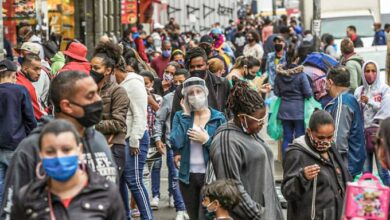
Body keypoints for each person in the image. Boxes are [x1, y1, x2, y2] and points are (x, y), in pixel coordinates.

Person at [1, 71, 118, 219]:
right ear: (67, 106)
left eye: (97, 93)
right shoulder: (31, 149)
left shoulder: (98, 140)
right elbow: (10, 212)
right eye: (90, 96)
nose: (98, 100)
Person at [10, 120, 125, 219]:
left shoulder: (107, 193)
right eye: (50, 152)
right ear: (41, 155)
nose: (59, 157)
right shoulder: (27, 198)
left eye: (66, 150)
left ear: (79, 150)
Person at [210, 79, 284, 220]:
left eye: (263, 119)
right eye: (258, 120)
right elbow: (231, 189)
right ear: (242, 117)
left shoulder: (249, 132)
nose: (261, 124)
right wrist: (258, 214)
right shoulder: (226, 141)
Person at [170, 77, 226, 220]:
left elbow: (224, 149)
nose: (195, 96)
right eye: (191, 93)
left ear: (206, 92)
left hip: (210, 177)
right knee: (194, 216)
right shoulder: (180, 116)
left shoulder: (218, 118)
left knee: (208, 216)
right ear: (185, 97)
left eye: (198, 91)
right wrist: (186, 116)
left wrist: (207, 140)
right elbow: (176, 142)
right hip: (187, 177)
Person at [282, 110, 351, 220]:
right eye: (321, 138)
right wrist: (302, 177)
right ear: (309, 132)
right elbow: (287, 191)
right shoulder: (296, 154)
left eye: (330, 137)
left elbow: (342, 179)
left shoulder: (331, 149)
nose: (326, 141)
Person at [114, 55, 153, 220]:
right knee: (121, 179)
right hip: (123, 139)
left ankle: (147, 217)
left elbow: (140, 115)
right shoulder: (120, 84)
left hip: (135, 139)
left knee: (134, 180)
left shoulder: (134, 84)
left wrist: (135, 140)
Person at [90, 42, 129, 184]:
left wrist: (93, 126)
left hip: (114, 147)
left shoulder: (117, 92)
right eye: (90, 67)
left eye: (96, 68)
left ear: (108, 70)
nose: (92, 71)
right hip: (93, 145)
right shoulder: (88, 89)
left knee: (109, 189)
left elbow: (118, 123)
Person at [153, 69, 189, 220]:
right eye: (177, 82)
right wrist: (157, 138)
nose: (179, 85)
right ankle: (180, 209)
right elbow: (159, 119)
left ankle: (188, 206)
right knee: (175, 176)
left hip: (193, 143)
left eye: (182, 82)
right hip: (172, 144)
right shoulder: (168, 98)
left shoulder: (196, 97)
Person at [0, 60, 37, 204]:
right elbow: (30, 119)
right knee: (18, 183)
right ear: (14, 75)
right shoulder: (20, 91)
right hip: (15, 144)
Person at [324, 67, 366, 177]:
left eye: (325, 82)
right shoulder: (349, 98)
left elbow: (338, 141)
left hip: (345, 166)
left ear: (330, 82)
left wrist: (334, 166)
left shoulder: (342, 103)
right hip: (350, 163)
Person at [354, 61, 390, 185]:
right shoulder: (359, 91)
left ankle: (387, 199)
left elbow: (386, 111)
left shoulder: (384, 89)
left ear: (378, 72)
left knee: (383, 172)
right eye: (367, 71)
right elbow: (355, 113)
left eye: (373, 71)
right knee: (366, 173)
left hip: (380, 137)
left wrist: (370, 101)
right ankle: (368, 202)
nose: (370, 74)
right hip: (363, 137)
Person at [171, 47, 230, 120]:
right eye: (192, 67)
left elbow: (230, 111)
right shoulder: (182, 89)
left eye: (199, 66)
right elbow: (176, 119)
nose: (196, 69)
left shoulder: (222, 84)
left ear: (207, 65)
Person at [274, 54, 313, 157]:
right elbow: (308, 93)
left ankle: (286, 161)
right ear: (297, 59)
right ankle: (300, 159)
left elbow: (276, 93)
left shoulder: (279, 75)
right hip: (299, 111)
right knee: (300, 137)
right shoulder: (301, 75)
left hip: (284, 110)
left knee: (287, 137)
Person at [16, 53, 46, 121]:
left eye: (40, 69)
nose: (39, 73)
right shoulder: (28, 88)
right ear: (25, 69)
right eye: (35, 69)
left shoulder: (14, 77)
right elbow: (40, 116)